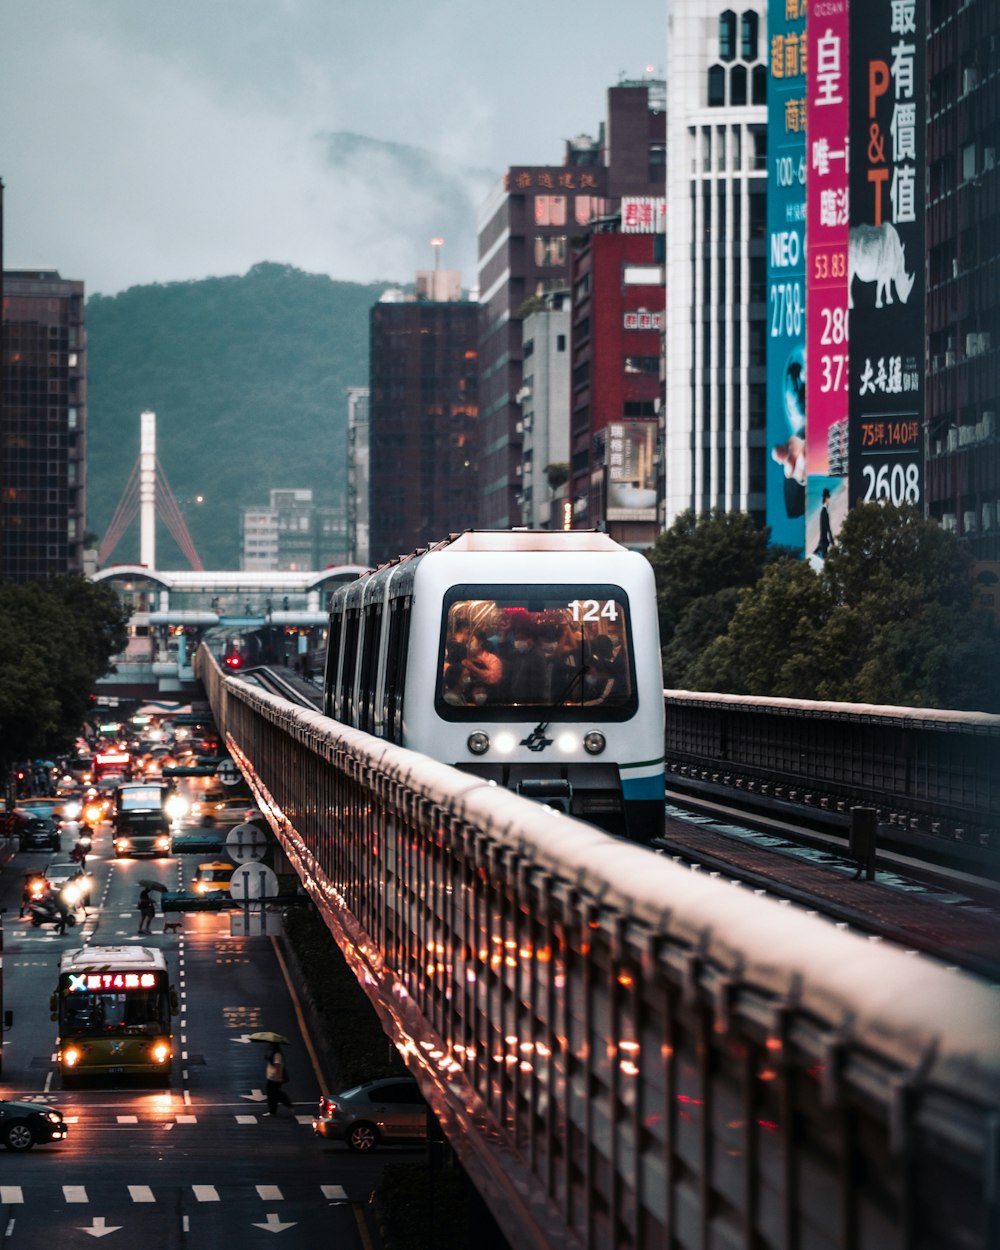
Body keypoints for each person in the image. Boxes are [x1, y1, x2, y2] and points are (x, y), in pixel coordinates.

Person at [264, 1044, 293, 1116]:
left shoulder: (277, 1055)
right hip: (271, 1077)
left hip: (275, 1078)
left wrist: (274, 1073)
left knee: (276, 1094)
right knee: (273, 1094)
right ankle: (273, 1110)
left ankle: (288, 1105)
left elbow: (277, 1065)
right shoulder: (272, 1054)